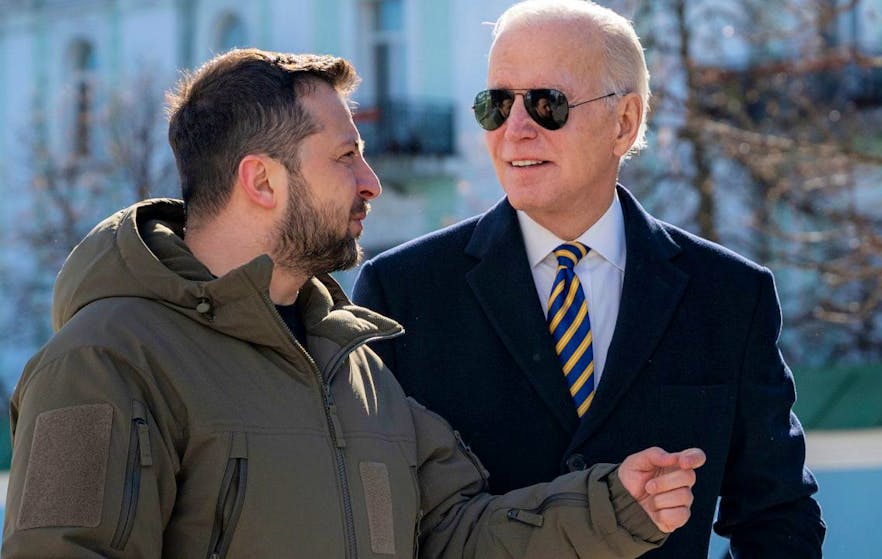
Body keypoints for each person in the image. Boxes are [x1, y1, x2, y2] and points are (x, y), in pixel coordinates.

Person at [1, 48, 707, 558]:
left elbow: (450, 533)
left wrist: (614, 504)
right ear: (262, 180)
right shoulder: (103, 360)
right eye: (345, 157)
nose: (371, 181)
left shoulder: (354, 368)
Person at [352, 1, 826, 558]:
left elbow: (777, 516)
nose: (516, 130)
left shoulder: (727, 296)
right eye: (497, 105)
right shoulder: (403, 293)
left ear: (624, 122)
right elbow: (382, 522)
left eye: (547, 104)